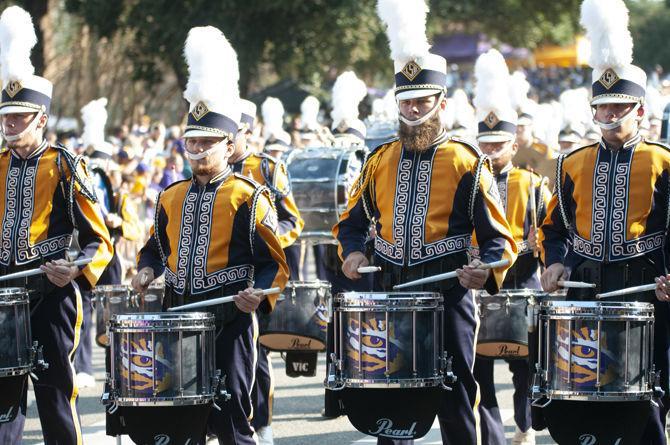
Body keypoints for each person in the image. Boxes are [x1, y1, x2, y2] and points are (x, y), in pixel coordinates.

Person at [334, 1, 517, 443]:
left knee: (456, 399)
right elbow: (351, 222)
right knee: (388, 397)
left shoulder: (466, 160)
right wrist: (354, 252)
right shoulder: (379, 160)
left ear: (441, 102)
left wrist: (486, 268)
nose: (413, 110)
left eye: (422, 101)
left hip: (450, 291)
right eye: (406, 102)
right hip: (392, 288)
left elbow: (498, 237)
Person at [132, 26, 288, 445]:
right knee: (182, 421)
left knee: (233, 419)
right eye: (192, 142)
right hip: (178, 317)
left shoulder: (249, 196)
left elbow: (273, 262)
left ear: (228, 144)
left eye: (207, 142)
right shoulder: (171, 195)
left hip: (230, 322)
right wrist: (145, 270)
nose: (198, 151)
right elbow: (154, 249)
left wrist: (258, 291)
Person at [540, 1, 670, 443]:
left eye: (619, 108)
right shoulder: (571, 163)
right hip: (587, 285)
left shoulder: (663, 161)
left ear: (639, 110)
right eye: (603, 109)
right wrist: (554, 262)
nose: (610, 117)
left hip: (648, 287)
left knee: (646, 397)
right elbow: (554, 227)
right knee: (584, 391)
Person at [0, 6, 113, 444]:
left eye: (19, 117)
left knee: (54, 394)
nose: (9, 124)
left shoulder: (67, 165)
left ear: (41, 118)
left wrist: (77, 269)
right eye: (6, 116)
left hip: (51, 294)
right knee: (4, 398)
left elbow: (98, 238)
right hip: (5, 293)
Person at [469, 49, 551, 445]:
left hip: (523, 283)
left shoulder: (533, 184)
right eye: (484, 145)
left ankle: (523, 429)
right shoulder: (466, 184)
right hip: (481, 288)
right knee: (478, 370)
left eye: (497, 145)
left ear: (513, 146)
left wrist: (541, 247)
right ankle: (493, 439)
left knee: (527, 369)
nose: (489, 153)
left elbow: (553, 232)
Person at [230, 98, 304, 445]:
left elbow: (293, 220)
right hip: (218, 279)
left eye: (236, 133)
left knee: (256, 353)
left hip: (258, 276)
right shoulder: (203, 166)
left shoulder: (268, 168)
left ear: (249, 131)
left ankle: (263, 424)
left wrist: (271, 238)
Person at [74, 98, 142, 388]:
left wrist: (119, 222)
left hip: (110, 255)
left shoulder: (120, 196)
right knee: (83, 312)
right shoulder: (78, 187)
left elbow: (135, 229)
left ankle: (116, 368)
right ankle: (83, 368)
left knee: (113, 314)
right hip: (83, 252)